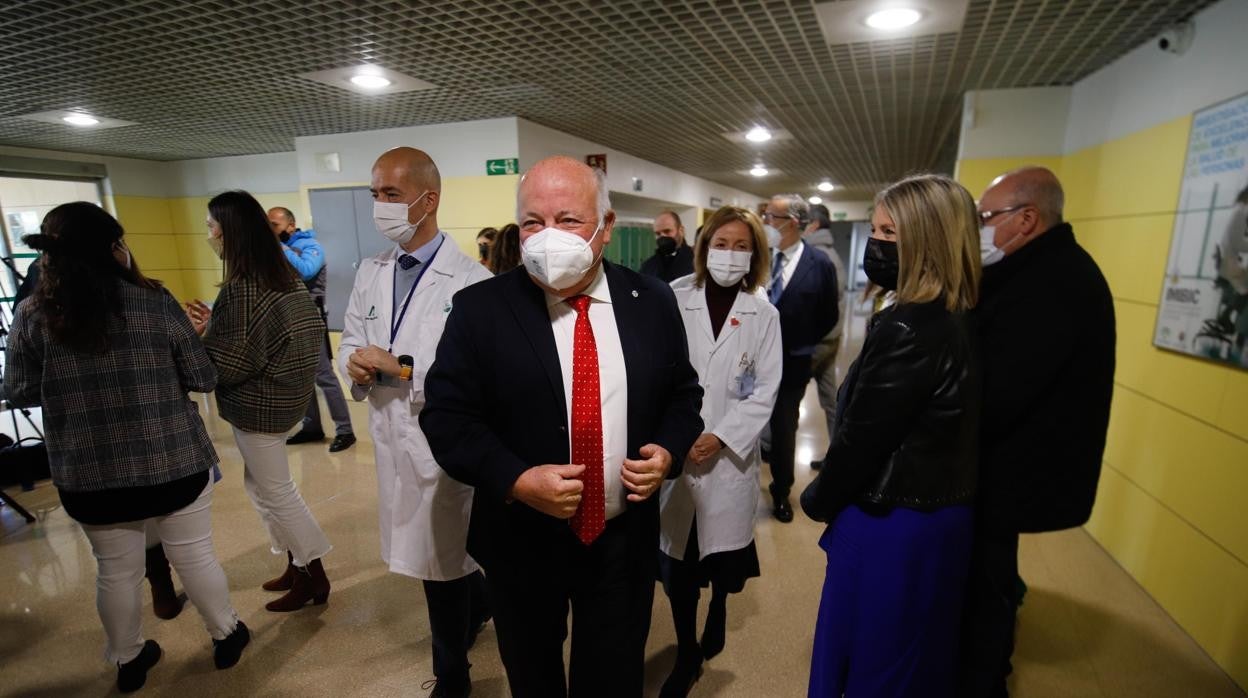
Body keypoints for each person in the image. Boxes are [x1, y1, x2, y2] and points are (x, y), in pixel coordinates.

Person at [420, 156, 704, 698]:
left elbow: (684, 394)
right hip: (521, 539)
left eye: (568, 219)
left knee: (614, 677)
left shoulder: (652, 302)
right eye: (532, 222)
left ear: (607, 225)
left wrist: (667, 451)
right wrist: (517, 479)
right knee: (533, 678)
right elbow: (447, 419)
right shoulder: (480, 309)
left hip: (622, 539)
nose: (548, 236)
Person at [4, 203, 249, 693]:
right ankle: (226, 634)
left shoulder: (32, 315)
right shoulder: (153, 301)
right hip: (174, 462)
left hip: (89, 475)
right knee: (195, 556)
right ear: (113, 246)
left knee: (115, 571)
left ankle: (129, 660)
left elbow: (22, 390)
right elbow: (203, 377)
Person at [800, 173, 981, 697]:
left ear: (927, 239)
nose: (875, 244)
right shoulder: (958, 316)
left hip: (892, 519)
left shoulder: (910, 327)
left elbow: (863, 438)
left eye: (888, 232)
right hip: (937, 514)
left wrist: (820, 497)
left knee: (871, 660)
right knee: (913, 653)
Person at [338, 147, 492, 698]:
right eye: (375, 194)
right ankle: (482, 606)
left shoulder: (472, 279)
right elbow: (354, 337)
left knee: (440, 565)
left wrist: (403, 369)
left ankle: (454, 677)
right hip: (390, 435)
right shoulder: (372, 271)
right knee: (441, 557)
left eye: (392, 195)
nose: (380, 206)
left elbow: (478, 371)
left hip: (442, 443)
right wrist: (354, 361)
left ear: (428, 200)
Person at [957, 167, 1115, 698]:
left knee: (987, 586)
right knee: (988, 575)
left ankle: (984, 681)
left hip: (1014, 469)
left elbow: (1001, 390)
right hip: (1008, 465)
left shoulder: (1055, 282)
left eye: (985, 218)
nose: (977, 228)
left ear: (1027, 219)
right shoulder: (1040, 269)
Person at [186, 190, 332, 613]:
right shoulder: (279, 275)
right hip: (283, 398)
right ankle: (294, 561)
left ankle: (313, 574)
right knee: (259, 486)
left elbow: (227, 364)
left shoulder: (243, 287)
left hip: (259, 405)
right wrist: (220, 325)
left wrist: (200, 338)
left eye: (212, 226)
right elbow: (264, 336)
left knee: (277, 491)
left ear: (231, 232)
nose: (209, 234)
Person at [657, 206, 781, 697]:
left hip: (727, 455)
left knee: (720, 563)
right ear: (704, 247)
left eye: (741, 246)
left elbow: (766, 388)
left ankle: (721, 607)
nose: (729, 255)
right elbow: (658, 370)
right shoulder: (674, 297)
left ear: (755, 255)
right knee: (678, 566)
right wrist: (677, 433)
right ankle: (686, 653)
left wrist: (721, 436)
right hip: (676, 448)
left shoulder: (762, 313)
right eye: (721, 244)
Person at [762, 193, 839, 522]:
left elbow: (828, 316)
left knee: (783, 429)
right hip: (752, 362)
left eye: (772, 218)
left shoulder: (819, 264)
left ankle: (781, 492)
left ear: (793, 223)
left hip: (792, 365)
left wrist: (802, 346)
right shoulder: (759, 259)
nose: (766, 224)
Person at [268, 207, 357, 453]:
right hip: (289, 318)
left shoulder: (310, 245)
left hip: (311, 318)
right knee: (301, 376)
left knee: (324, 376)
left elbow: (306, 270)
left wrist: (282, 249)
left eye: (274, 224)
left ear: (290, 225)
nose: (270, 230)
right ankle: (311, 427)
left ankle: (345, 430)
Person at [803, 204, 847, 472]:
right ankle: (838, 455)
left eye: (804, 222)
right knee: (831, 401)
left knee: (786, 395)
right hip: (831, 339)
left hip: (816, 342)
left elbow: (813, 306)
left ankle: (772, 447)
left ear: (815, 225)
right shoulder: (832, 253)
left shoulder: (815, 257)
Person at [640, 210, 694, 283]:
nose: (662, 236)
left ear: (681, 231)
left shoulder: (698, 261)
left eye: (667, 231)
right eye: (658, 233)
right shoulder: (648, 266)